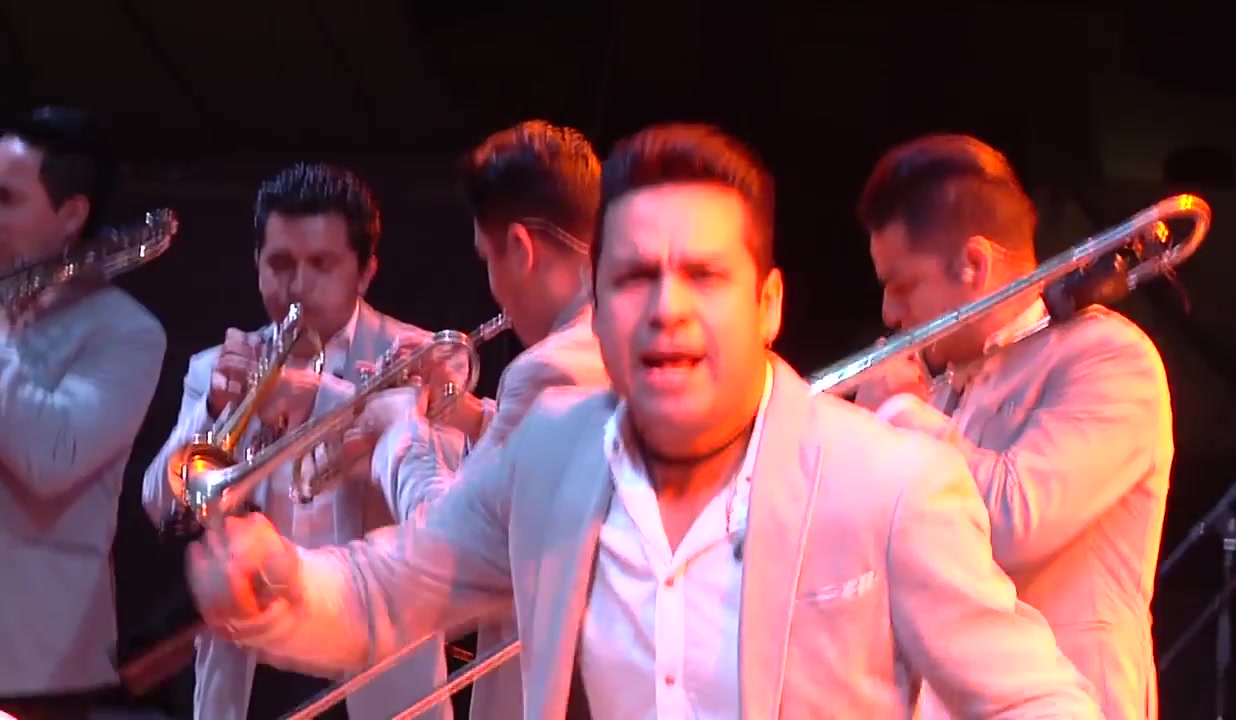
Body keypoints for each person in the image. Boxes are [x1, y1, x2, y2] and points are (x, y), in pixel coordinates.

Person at [185, 123, 1104, 718]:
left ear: (769, 305)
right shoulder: (550, 459)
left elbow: (1033, 699)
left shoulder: (892, 483)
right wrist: (282, 583)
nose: (667, 311)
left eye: (703, 276)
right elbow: (390, 591)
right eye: (633, 278)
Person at [853, 133, 1173, 719]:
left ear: (973, 264)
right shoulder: (942, 389)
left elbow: (1010, 524)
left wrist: (897, 410)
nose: (889, 314)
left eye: (902, 286)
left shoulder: (1109, 358)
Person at [140, 162, 460, 720]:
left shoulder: (421, 357)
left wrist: (319, 398)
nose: (298, 286)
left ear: (366, 272)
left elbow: (452, 508)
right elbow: (159, 502)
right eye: (281, 264)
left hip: (372, 668)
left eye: (322, 265)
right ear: (257, 263)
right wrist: (214, 409)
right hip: (253, 667)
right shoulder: (218, 366)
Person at [353, 119, 608, 720]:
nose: (494, 289)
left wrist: (399, 429)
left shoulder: (547, 367)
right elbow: (549, 469)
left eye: (488, 259)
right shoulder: (620, 339)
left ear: (519, 248)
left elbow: (448, 545)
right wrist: (464, 413)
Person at [0, 106, 167, 720]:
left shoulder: (126, 332)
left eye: (5, 199)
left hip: (34, 664)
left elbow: (53, 456)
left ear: (71, 214)